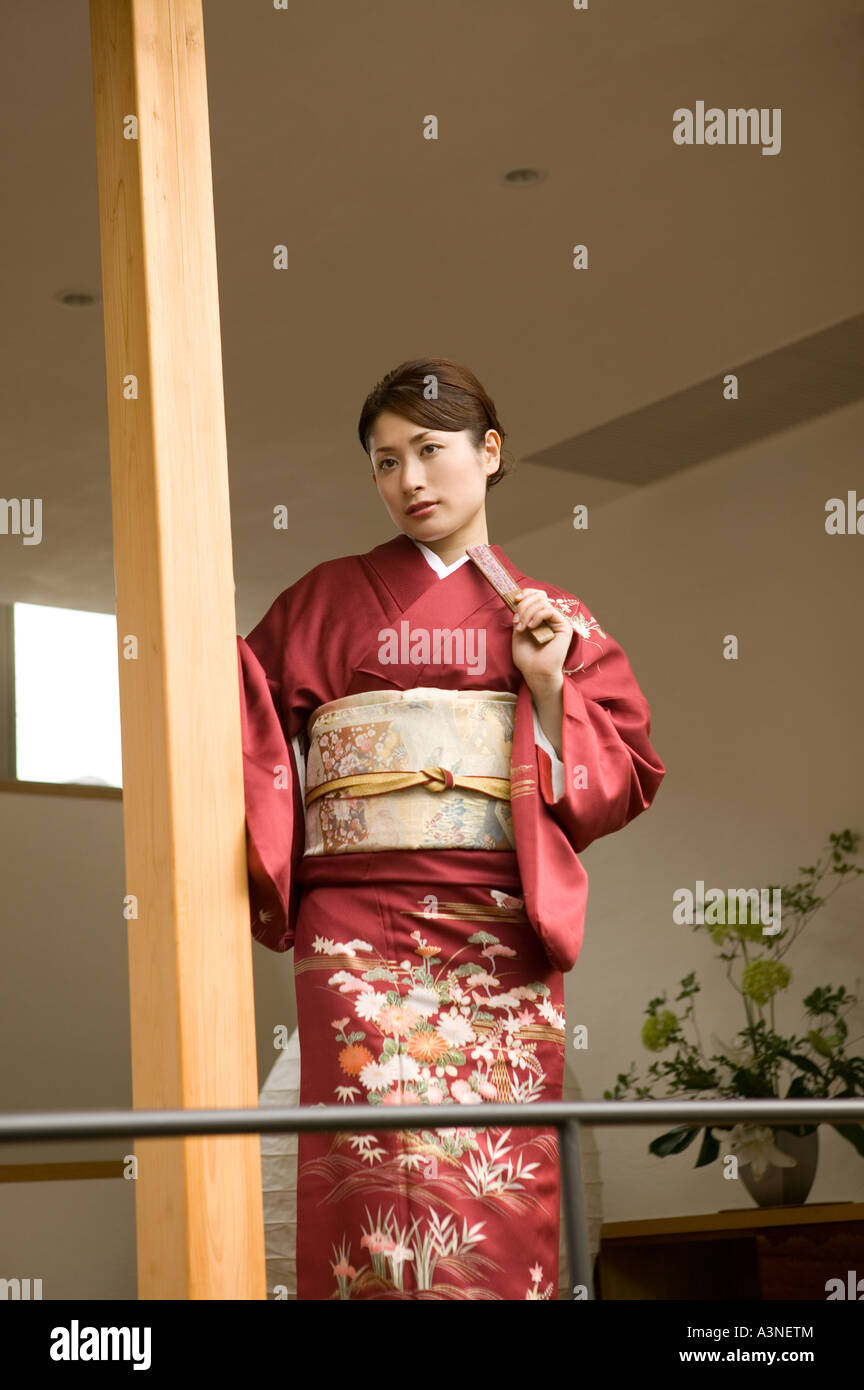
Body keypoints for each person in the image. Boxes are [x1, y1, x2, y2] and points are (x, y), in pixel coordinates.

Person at [237, 357, 665, 1300]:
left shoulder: (551, 619)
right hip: (351, 932)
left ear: (490, 452)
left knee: (493, 1186)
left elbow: (621, 777)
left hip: (497, 932)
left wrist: (548, 684)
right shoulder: (322, 601)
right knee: (370, 1169)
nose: (410, 482)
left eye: (430, 451)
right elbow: (239, 717)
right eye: (385, 463)